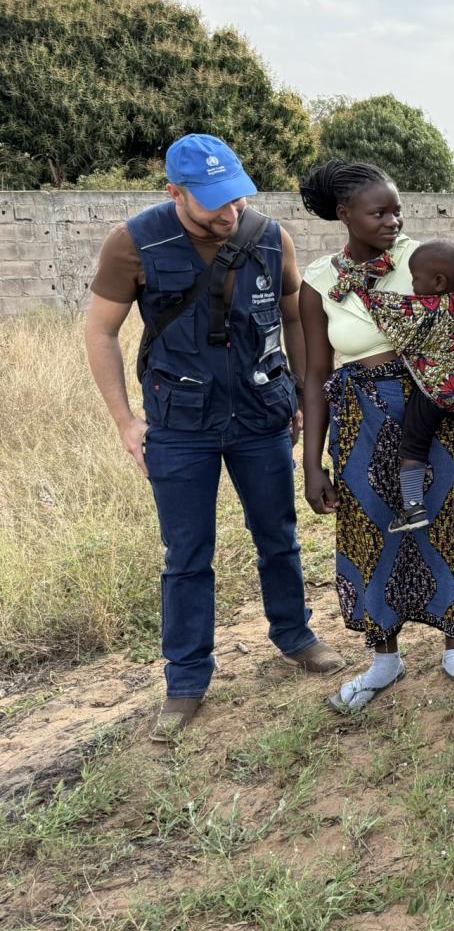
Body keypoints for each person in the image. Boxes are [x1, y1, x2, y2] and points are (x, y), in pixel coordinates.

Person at [84, 134, 341, 742]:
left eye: (237, 200)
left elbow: (291, 314)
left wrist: (303, 394)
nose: (229, 215)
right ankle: (188, 677)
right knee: (187, 554)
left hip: (260, 412)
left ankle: (294, 635)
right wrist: (126, 420)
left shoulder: (270, 237)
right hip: (179, 422)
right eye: (212, 205)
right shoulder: (133, 243)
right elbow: (99, 332)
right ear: (174, 193)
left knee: (278, 535)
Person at [298, 160, 454, 713]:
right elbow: (314, 376)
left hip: (426, 411)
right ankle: (384, 658)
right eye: (378, 212)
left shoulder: (420, 259)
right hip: (357, 422)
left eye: (396, 210)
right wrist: (312, 464)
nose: (392, 221)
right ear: (344, 215)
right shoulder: (319, 281)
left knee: (443, 524)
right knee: (369, 534)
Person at [344, 238, 454, 533]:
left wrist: (361, 290)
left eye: (415, 278)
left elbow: (391, 310)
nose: (412, 284)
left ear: (438, 281)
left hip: (433, 391)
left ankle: (413, 507)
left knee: (413, 448)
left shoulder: (427, 309)